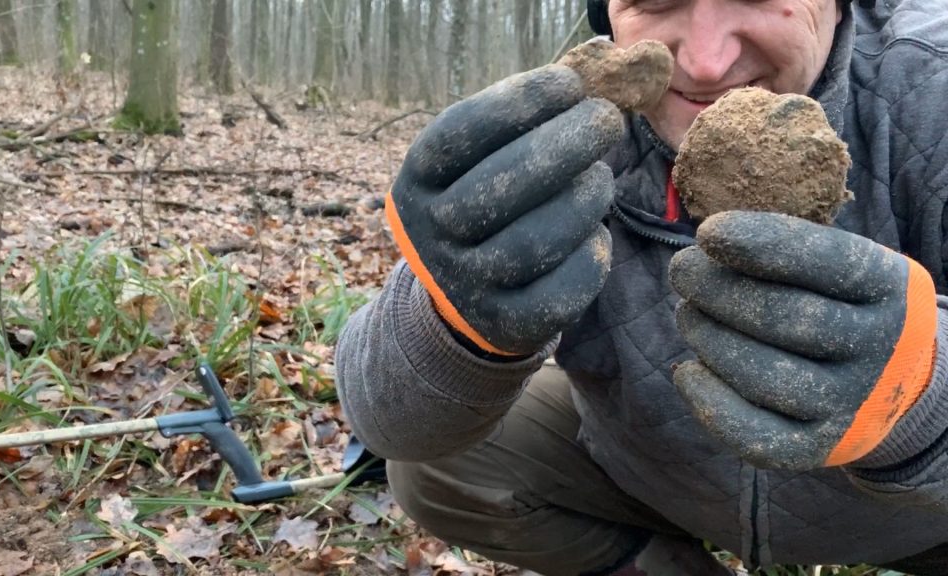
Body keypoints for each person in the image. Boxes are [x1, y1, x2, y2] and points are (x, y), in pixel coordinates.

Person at [335, 0, 948, 574]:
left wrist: (925, 393)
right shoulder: (572, 121)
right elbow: (389, 423)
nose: (706, 62)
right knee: (443, 461)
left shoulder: (931, 88)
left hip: (916, 523)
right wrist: (452, 323)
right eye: (656, 0)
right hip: (659, 483)